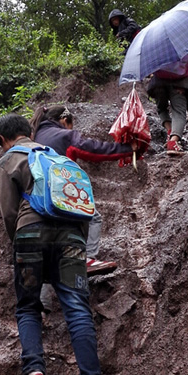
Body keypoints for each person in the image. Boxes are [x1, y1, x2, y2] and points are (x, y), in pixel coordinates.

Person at [0, 112, 109, 375]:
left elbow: (8, 213)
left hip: (30, 232)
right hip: (71, 234)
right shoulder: (56, 157)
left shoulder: (8, 161)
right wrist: (79, 244)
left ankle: (34, 372)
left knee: (29, 306)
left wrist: (19, 241)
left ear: (4, 140)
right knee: (77, 308)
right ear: (28, 132)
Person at [31, 104, 139, 276]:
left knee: (49, 259)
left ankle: (44, 301)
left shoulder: (34, 136)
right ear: (64, 120)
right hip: (60, 195)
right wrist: (125, 149)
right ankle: (87, 259)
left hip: (35, 201)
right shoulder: (65, 135)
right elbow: (93, 150)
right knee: (93, 217)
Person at [146, 52, 188, 156]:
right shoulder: (184, 53)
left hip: (157, 85)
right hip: (179, 86)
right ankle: (173, 142)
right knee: (179, 113)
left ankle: (170, 131)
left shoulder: (155, 54)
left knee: (161, 109)